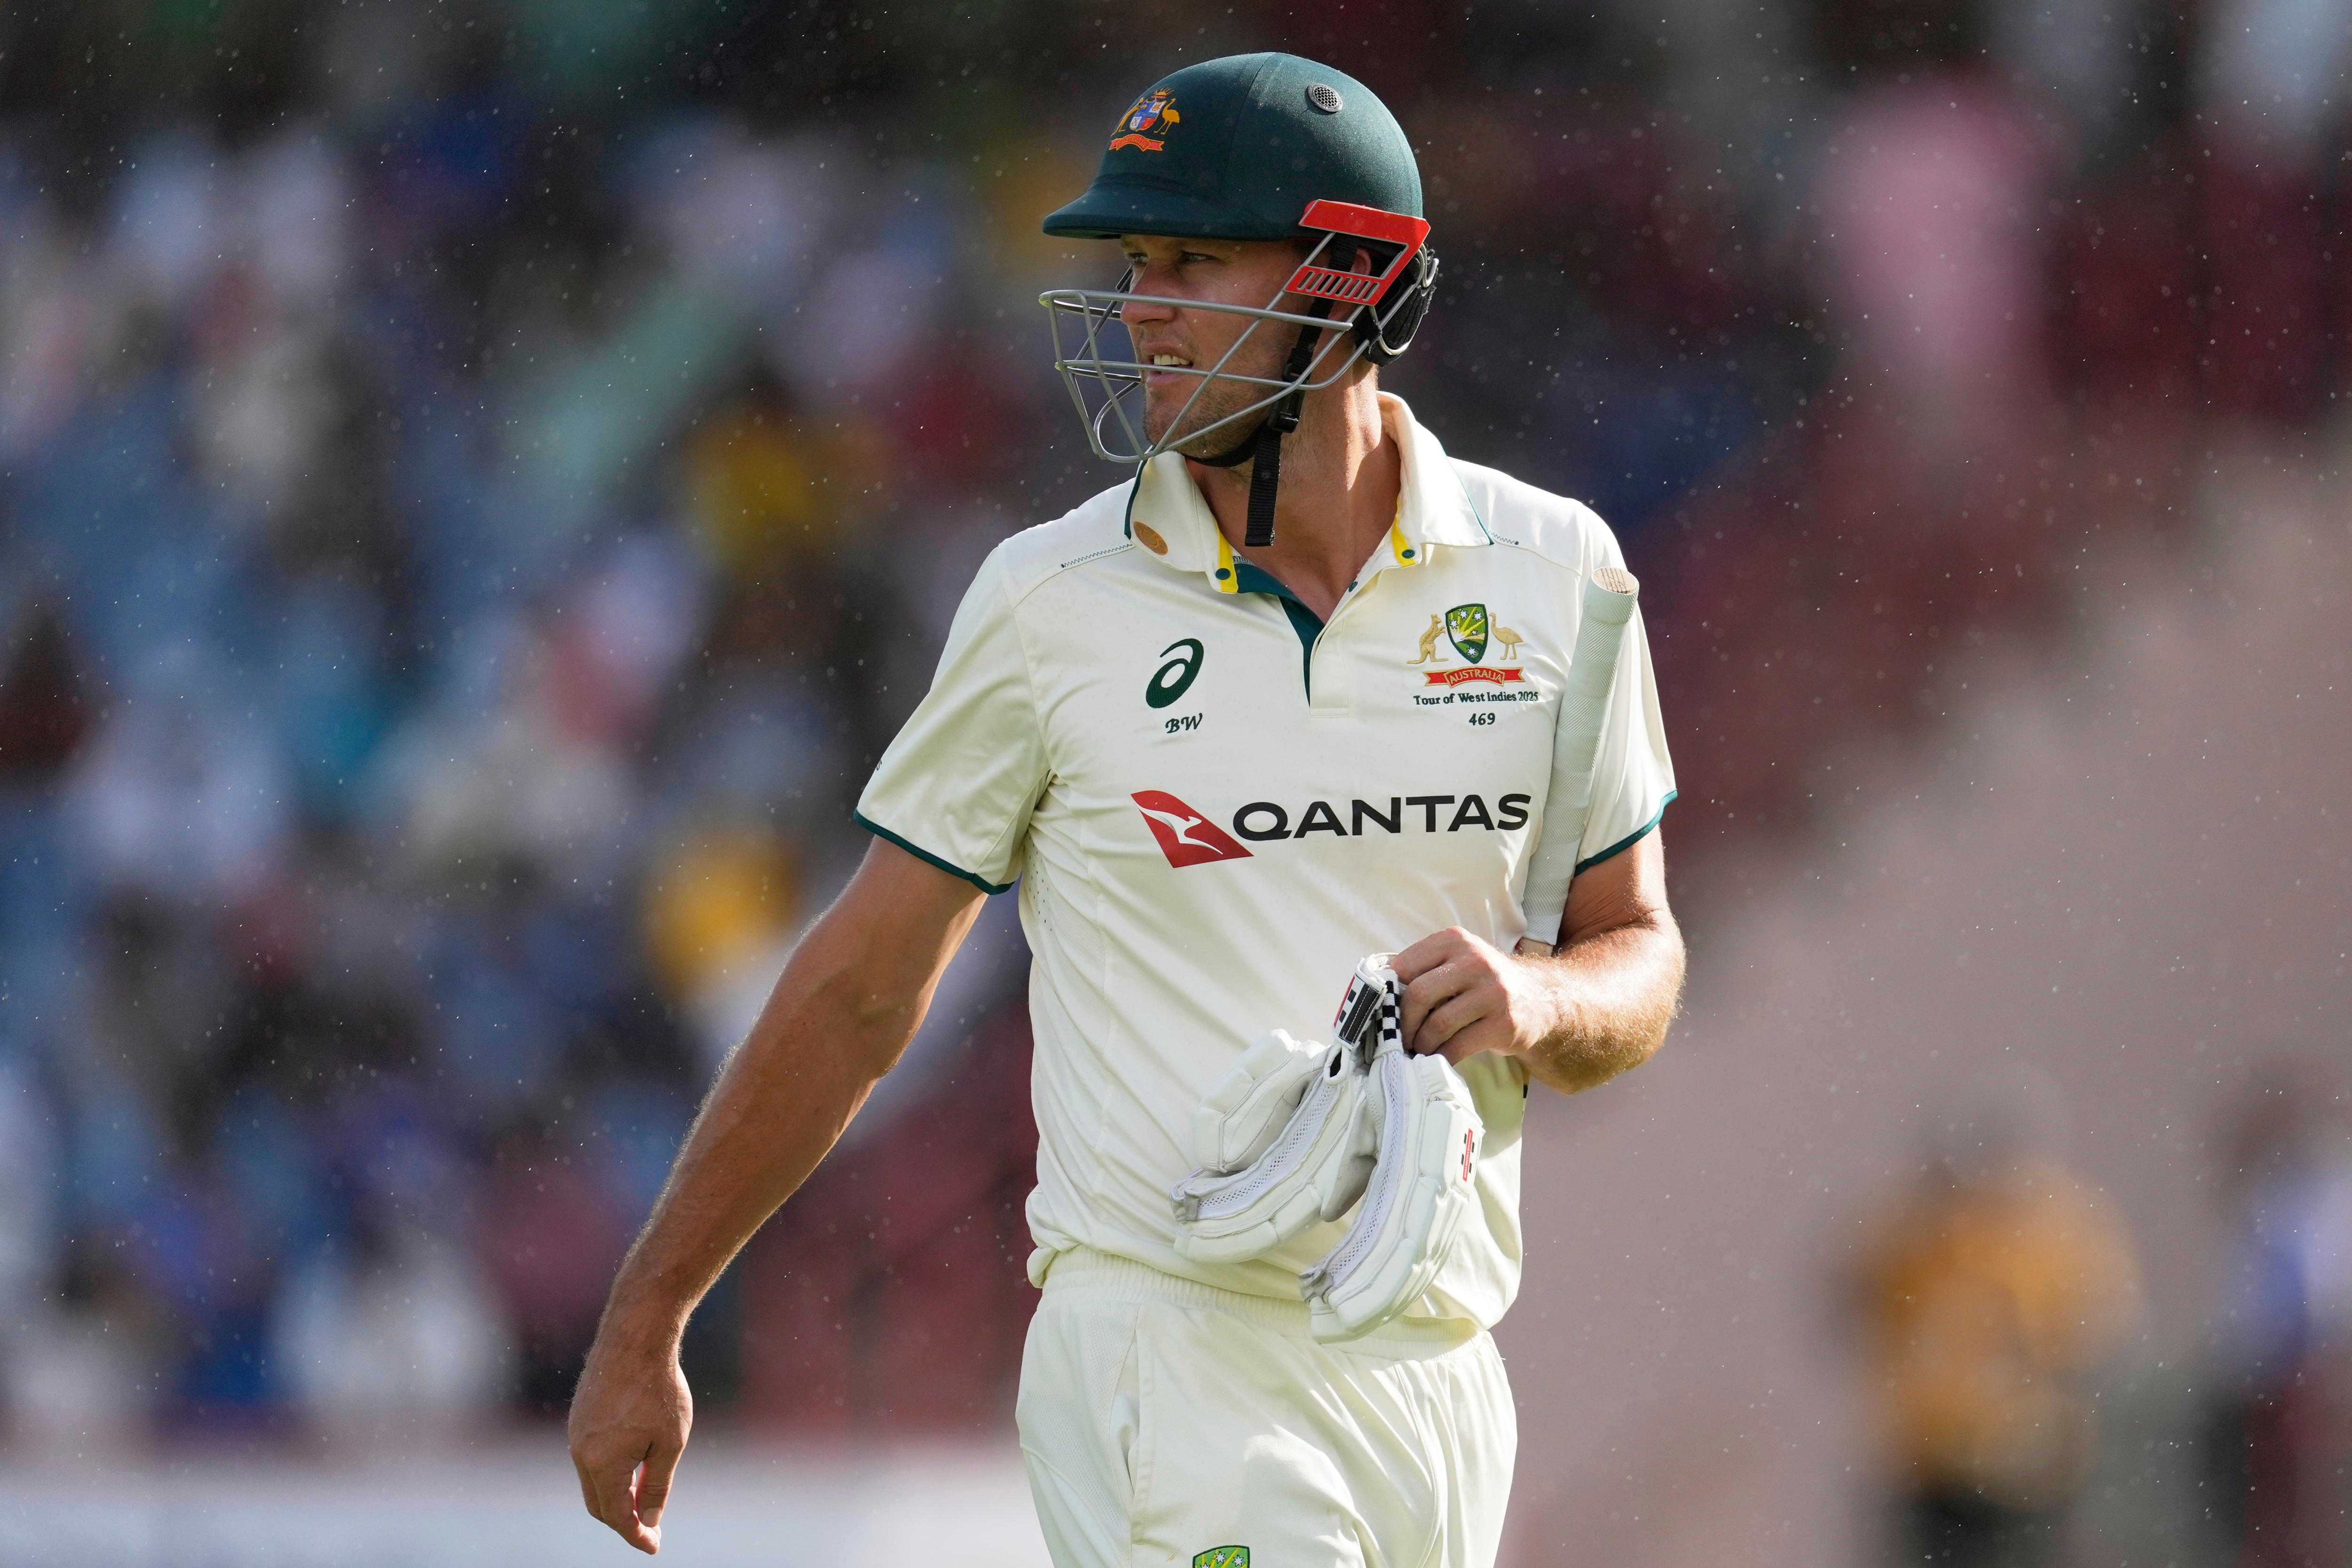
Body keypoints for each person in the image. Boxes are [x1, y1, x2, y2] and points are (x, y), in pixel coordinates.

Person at [568, 52, 1685, 1568]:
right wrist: (653, 1313)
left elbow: (1639, 953)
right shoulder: (1052, 600)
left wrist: (1539, 1000)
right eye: (1133, 263)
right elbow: (862, 987)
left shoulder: (1559, 578)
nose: (1139, 306)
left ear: (1350, 280)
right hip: (1167, 1349)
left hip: (1438, 1366)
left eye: (1190, 262)